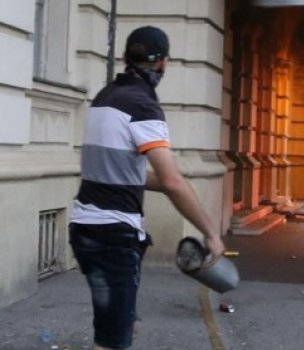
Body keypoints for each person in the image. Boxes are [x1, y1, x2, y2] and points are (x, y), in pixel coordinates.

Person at [69, 26, 225, 350]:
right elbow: (170, 180)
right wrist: (211, 233)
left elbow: (124, 172)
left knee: (125, 324)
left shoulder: (105, 97)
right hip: (112, 235)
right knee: (113, 342)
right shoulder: (141, 105)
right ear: (163, 64)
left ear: (126, 58)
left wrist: (173, 187)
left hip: (85, 229)